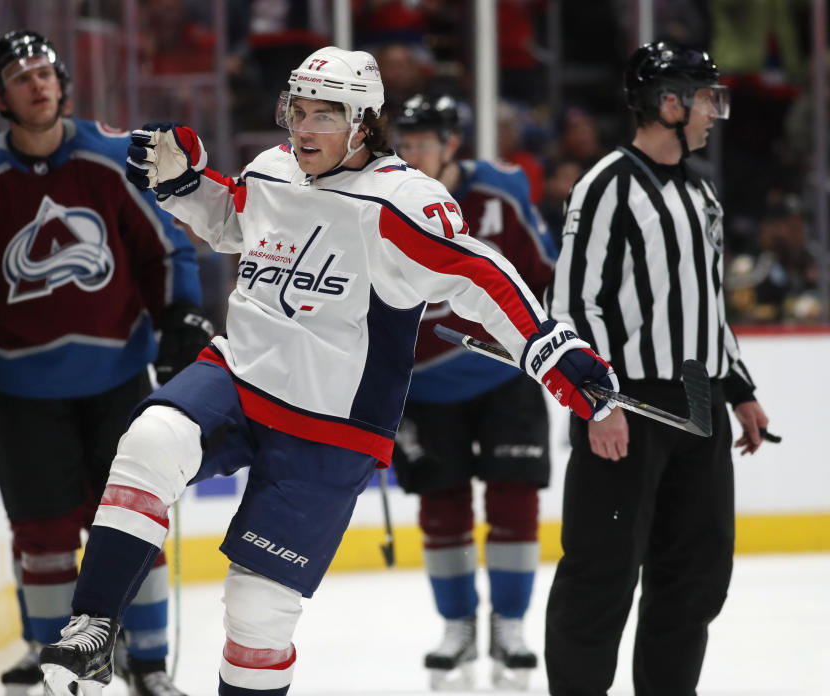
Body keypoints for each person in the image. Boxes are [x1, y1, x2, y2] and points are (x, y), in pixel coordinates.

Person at [37, 45, 618, 696]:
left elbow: (480, 276)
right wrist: (184, 184)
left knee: (258, 614)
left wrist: (557, 355)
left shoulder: (402, 203)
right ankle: (92, 627)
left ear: (364, 123)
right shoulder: (273, 169)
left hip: (331, 425)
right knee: (150, 441)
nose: (302, 129)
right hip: (242, 375)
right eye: (297, 111)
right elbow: (235, 220)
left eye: (323, 116)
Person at [0, 30, 209, 696]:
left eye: (45, 71)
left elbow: (166, 248)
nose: (37, 83)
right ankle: (58, 667)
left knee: (132, 520)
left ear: (63, 82)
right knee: (44, 532)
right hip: (19, 384)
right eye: (21, 76)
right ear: (0, 96)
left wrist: (181, 316)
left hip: (118, 376)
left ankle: (149, 662)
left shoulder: (112, 156)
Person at [543, 41, 772, 696]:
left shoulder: (702, 197)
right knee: (601, 575)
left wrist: (740, 392)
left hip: (699, 398)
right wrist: (597, 401)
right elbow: (572, 303)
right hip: (628, 402)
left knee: (695, 575)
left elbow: (709, 304)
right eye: (705, 98)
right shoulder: (606, 187)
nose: (712, 113)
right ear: (669, 102)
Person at [392, 93, 557, 691]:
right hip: (425, 389)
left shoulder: (500, 192)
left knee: (514, 501)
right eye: (403, 144)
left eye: (421, 145)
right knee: (443, 508)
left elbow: (545, 270)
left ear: (451, 145)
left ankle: (509, 626)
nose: (410, 156)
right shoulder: (379, 196)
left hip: (506, 378)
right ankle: (458, 625)